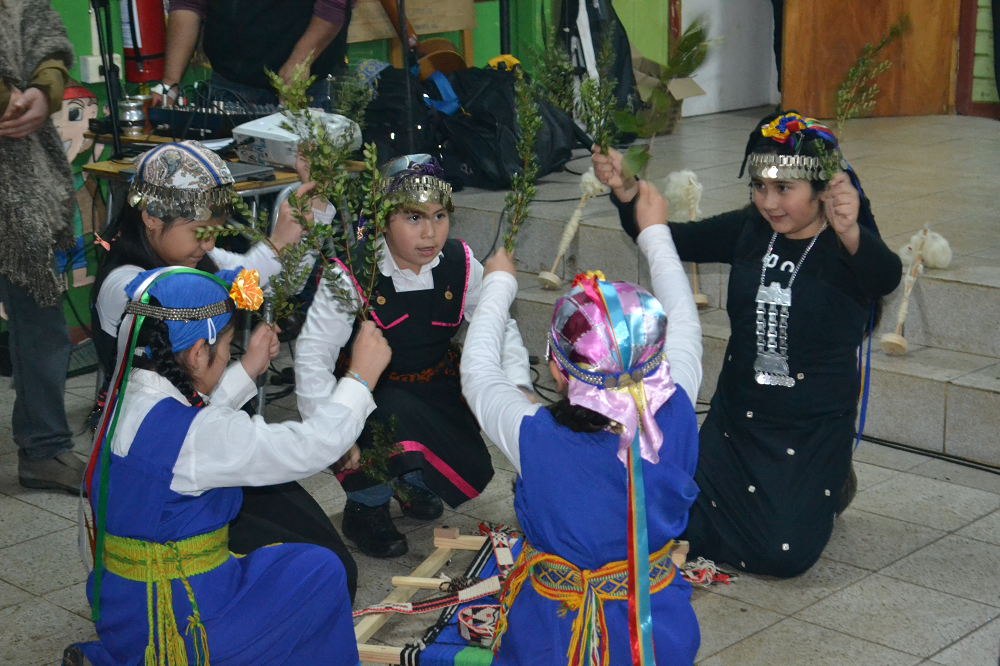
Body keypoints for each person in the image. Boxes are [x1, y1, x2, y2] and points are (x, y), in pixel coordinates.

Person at [594, 111, 903, 578]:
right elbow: (669, 239)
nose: (768, 202)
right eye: (759, 186)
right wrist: (627, 192)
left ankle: (833, 481)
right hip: (737, 420)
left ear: (824, 190)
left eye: (784, 189)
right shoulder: (751, 231)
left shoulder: (848, 246)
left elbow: (885, 276)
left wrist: (853, 231)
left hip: (810, 427)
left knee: (780, 556)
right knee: (672, 528)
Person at [63, 266, 389, 666]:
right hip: (179, 624)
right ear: (199, 352)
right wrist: (359, 379)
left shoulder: (122, 399)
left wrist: (248, 368)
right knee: (321, 574)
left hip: (125, 613)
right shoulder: (197, 436)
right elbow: (308, 447)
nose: (231, 354)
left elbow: (190, 430)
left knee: (297, 562)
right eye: (229, 347)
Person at [91, 140, 363, 599]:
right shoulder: (126, 286)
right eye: (200, 230)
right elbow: (224, 292)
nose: (210, 244)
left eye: (214, 231)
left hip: (211, 436)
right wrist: (275, 245)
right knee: (314, 578)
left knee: (336, 564)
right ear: (152, 217)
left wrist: (309, 209)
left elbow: (260, 289)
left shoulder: (199, 261)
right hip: (159, 476)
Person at [460, 180, 703, 665]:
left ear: (555, 368)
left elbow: (477, 375)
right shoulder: (678, 405)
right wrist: (654, 230)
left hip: (555, 630)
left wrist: (499, 283)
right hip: (657, 630)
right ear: (657, 357)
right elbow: (686, 316)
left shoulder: (535, 436)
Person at [295, 154, 532, 558]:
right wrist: (328, 432)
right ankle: (366, 505)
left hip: (434, 381)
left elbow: (499, 324)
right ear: (383, 222)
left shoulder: (460, 262)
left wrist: (518, 384)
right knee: (385, 414)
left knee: (468, 416)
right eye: (413, 218)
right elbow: (312, 354)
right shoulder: (351, 272)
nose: (430, 233)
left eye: (439, 216)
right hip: (370, 393)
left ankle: (412, 480)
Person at [0, 0, 83, 494]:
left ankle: (45, 449)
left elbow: (47, 42)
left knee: (40, 320)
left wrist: (41, 90)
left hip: (19, 182)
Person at [154, 0, 357, 107]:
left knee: (307, 180)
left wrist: (300, 61)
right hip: (227, 87)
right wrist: (170, 82)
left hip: (306, 88)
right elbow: (188, 4)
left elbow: (335, 4)